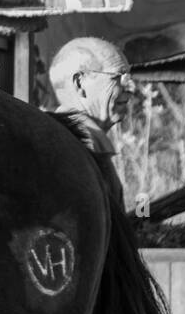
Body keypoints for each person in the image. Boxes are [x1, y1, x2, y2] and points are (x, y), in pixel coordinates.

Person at [49, 37, 134, 207]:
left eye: (129, 77)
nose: (130, 87)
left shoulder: (82, 140)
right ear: (80, 83)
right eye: (118, 77)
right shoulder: (76, 144)